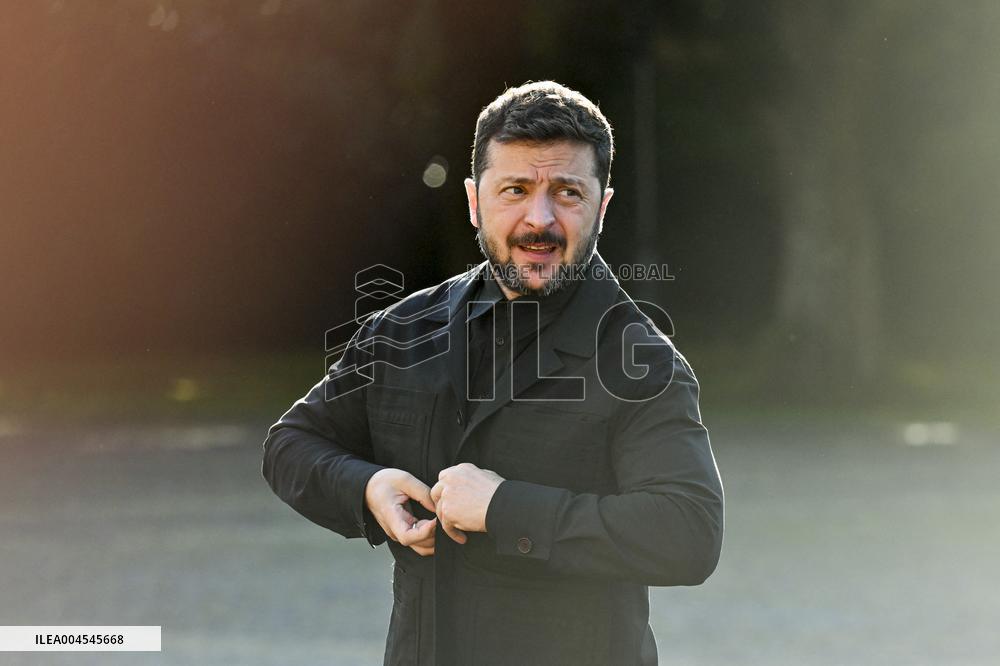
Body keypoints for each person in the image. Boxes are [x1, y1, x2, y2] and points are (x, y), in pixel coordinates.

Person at [262, 80, 724, 666]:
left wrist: (506, 508)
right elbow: (290, 444)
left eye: (567, 193)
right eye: (515, 189)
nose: (541, 219)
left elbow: (689, 534)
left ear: (601, 207)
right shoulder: (400, 330)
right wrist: (367, 489)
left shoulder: (643, 361)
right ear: (474, 200)